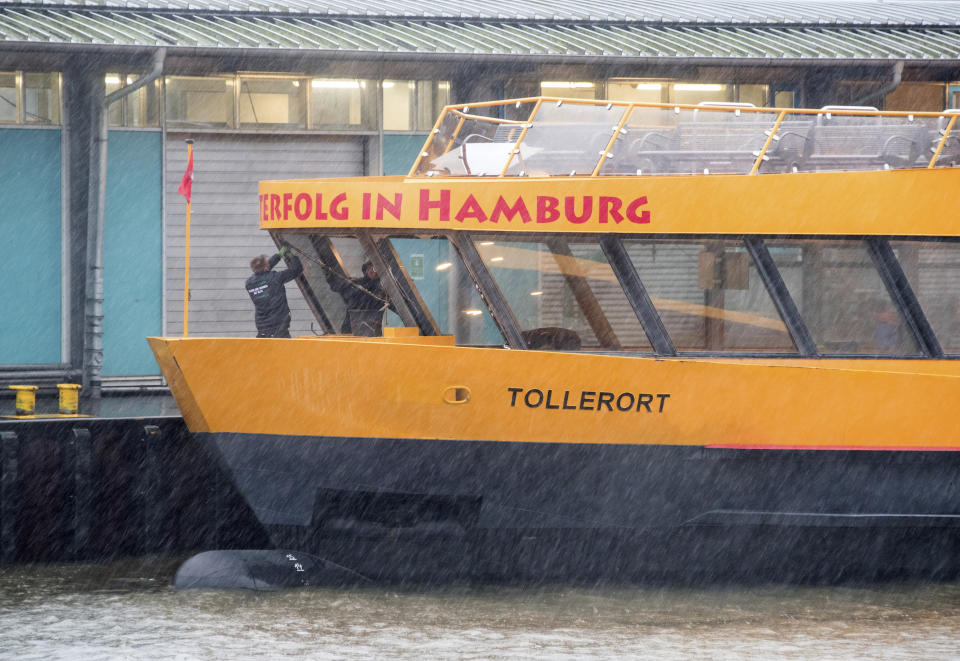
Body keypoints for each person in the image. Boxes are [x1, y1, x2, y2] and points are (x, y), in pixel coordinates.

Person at [245, 245, 303, 337]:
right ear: (266, 267)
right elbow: (297, 269)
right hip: (279, 326)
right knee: (287, 351)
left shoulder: (249, 283)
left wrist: (278, 256)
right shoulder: (275, 278)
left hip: (262, 328)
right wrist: (292, 257)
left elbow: (262, 271)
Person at [325, 259, 390, 335]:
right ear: (366, 270)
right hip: (350, 328)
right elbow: (336, 286)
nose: (373, 271)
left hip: (371, 332)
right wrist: (328, 274)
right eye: (370, 268)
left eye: (377, 269)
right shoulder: (356, 283)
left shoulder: (383, 293)